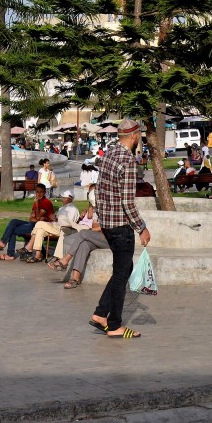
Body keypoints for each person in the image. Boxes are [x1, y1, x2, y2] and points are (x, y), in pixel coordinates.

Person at [90, 119, 150, 340]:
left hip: (107, 223)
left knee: (122, 271)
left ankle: (100, 313)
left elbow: (99, 192)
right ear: (134, 136)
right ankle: (114, 324)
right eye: (140, 136)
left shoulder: (109, 155)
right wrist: (141, 228)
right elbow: (128, 202)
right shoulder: (127, 161)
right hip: (120, 227)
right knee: (121, 275)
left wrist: (100, 218)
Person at [50, 201, 108, 289]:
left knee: (83, 233)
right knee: (84, 244)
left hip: (111, 239)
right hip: (99, 237)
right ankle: (75, 278)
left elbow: (109, 228)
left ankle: (65, 260)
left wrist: (101, 227)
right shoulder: (98, 209)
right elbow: (95, 227)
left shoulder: (113, 208)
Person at [0, 191, 55, 261]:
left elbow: (39, 219)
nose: (38, 194)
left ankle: (9, 253)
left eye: (40, 192)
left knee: (13, 230)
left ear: (44, 193)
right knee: (13, 221)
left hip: (39, 227)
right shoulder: (37, 203)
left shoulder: (46, 203)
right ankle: (3, 242)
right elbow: (32, 218)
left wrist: (37, 205)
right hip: (32, 224)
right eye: (37, 192)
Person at [23, 190, 81, 263]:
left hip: (63, 229)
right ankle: (37, 255)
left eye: (64, 198)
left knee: (39, 223)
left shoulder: (73, 209)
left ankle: (30, 246)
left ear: (70, 199)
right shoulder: (62, 208)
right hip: (55, 226)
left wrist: (56, 219)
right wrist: (54, 218)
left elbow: (69, 223)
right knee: (40, 231)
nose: (62, 199)